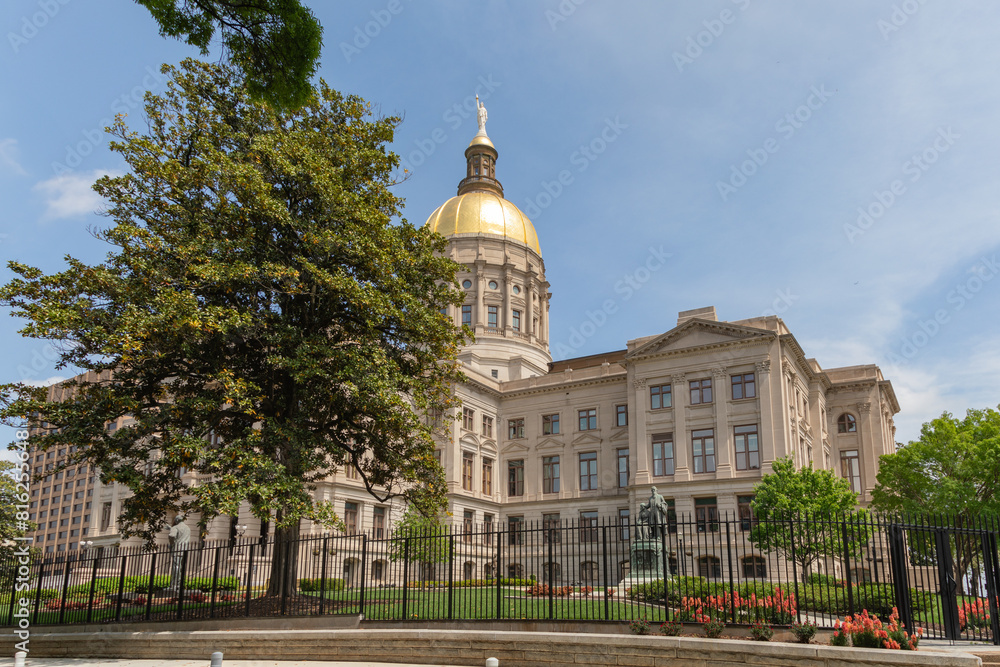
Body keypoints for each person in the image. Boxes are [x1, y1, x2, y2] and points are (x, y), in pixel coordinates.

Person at [167, 515, 191, 591]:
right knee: (181, 567)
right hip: (185, 549)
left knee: (176, 566)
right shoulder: (187, 528)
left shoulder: (175, 527)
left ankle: (174, 585)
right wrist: (171, 528)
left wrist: (171, 545)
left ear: (177, 520)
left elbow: (172, 536)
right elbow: (181, 534)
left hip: (177, 549)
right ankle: (180, 584)